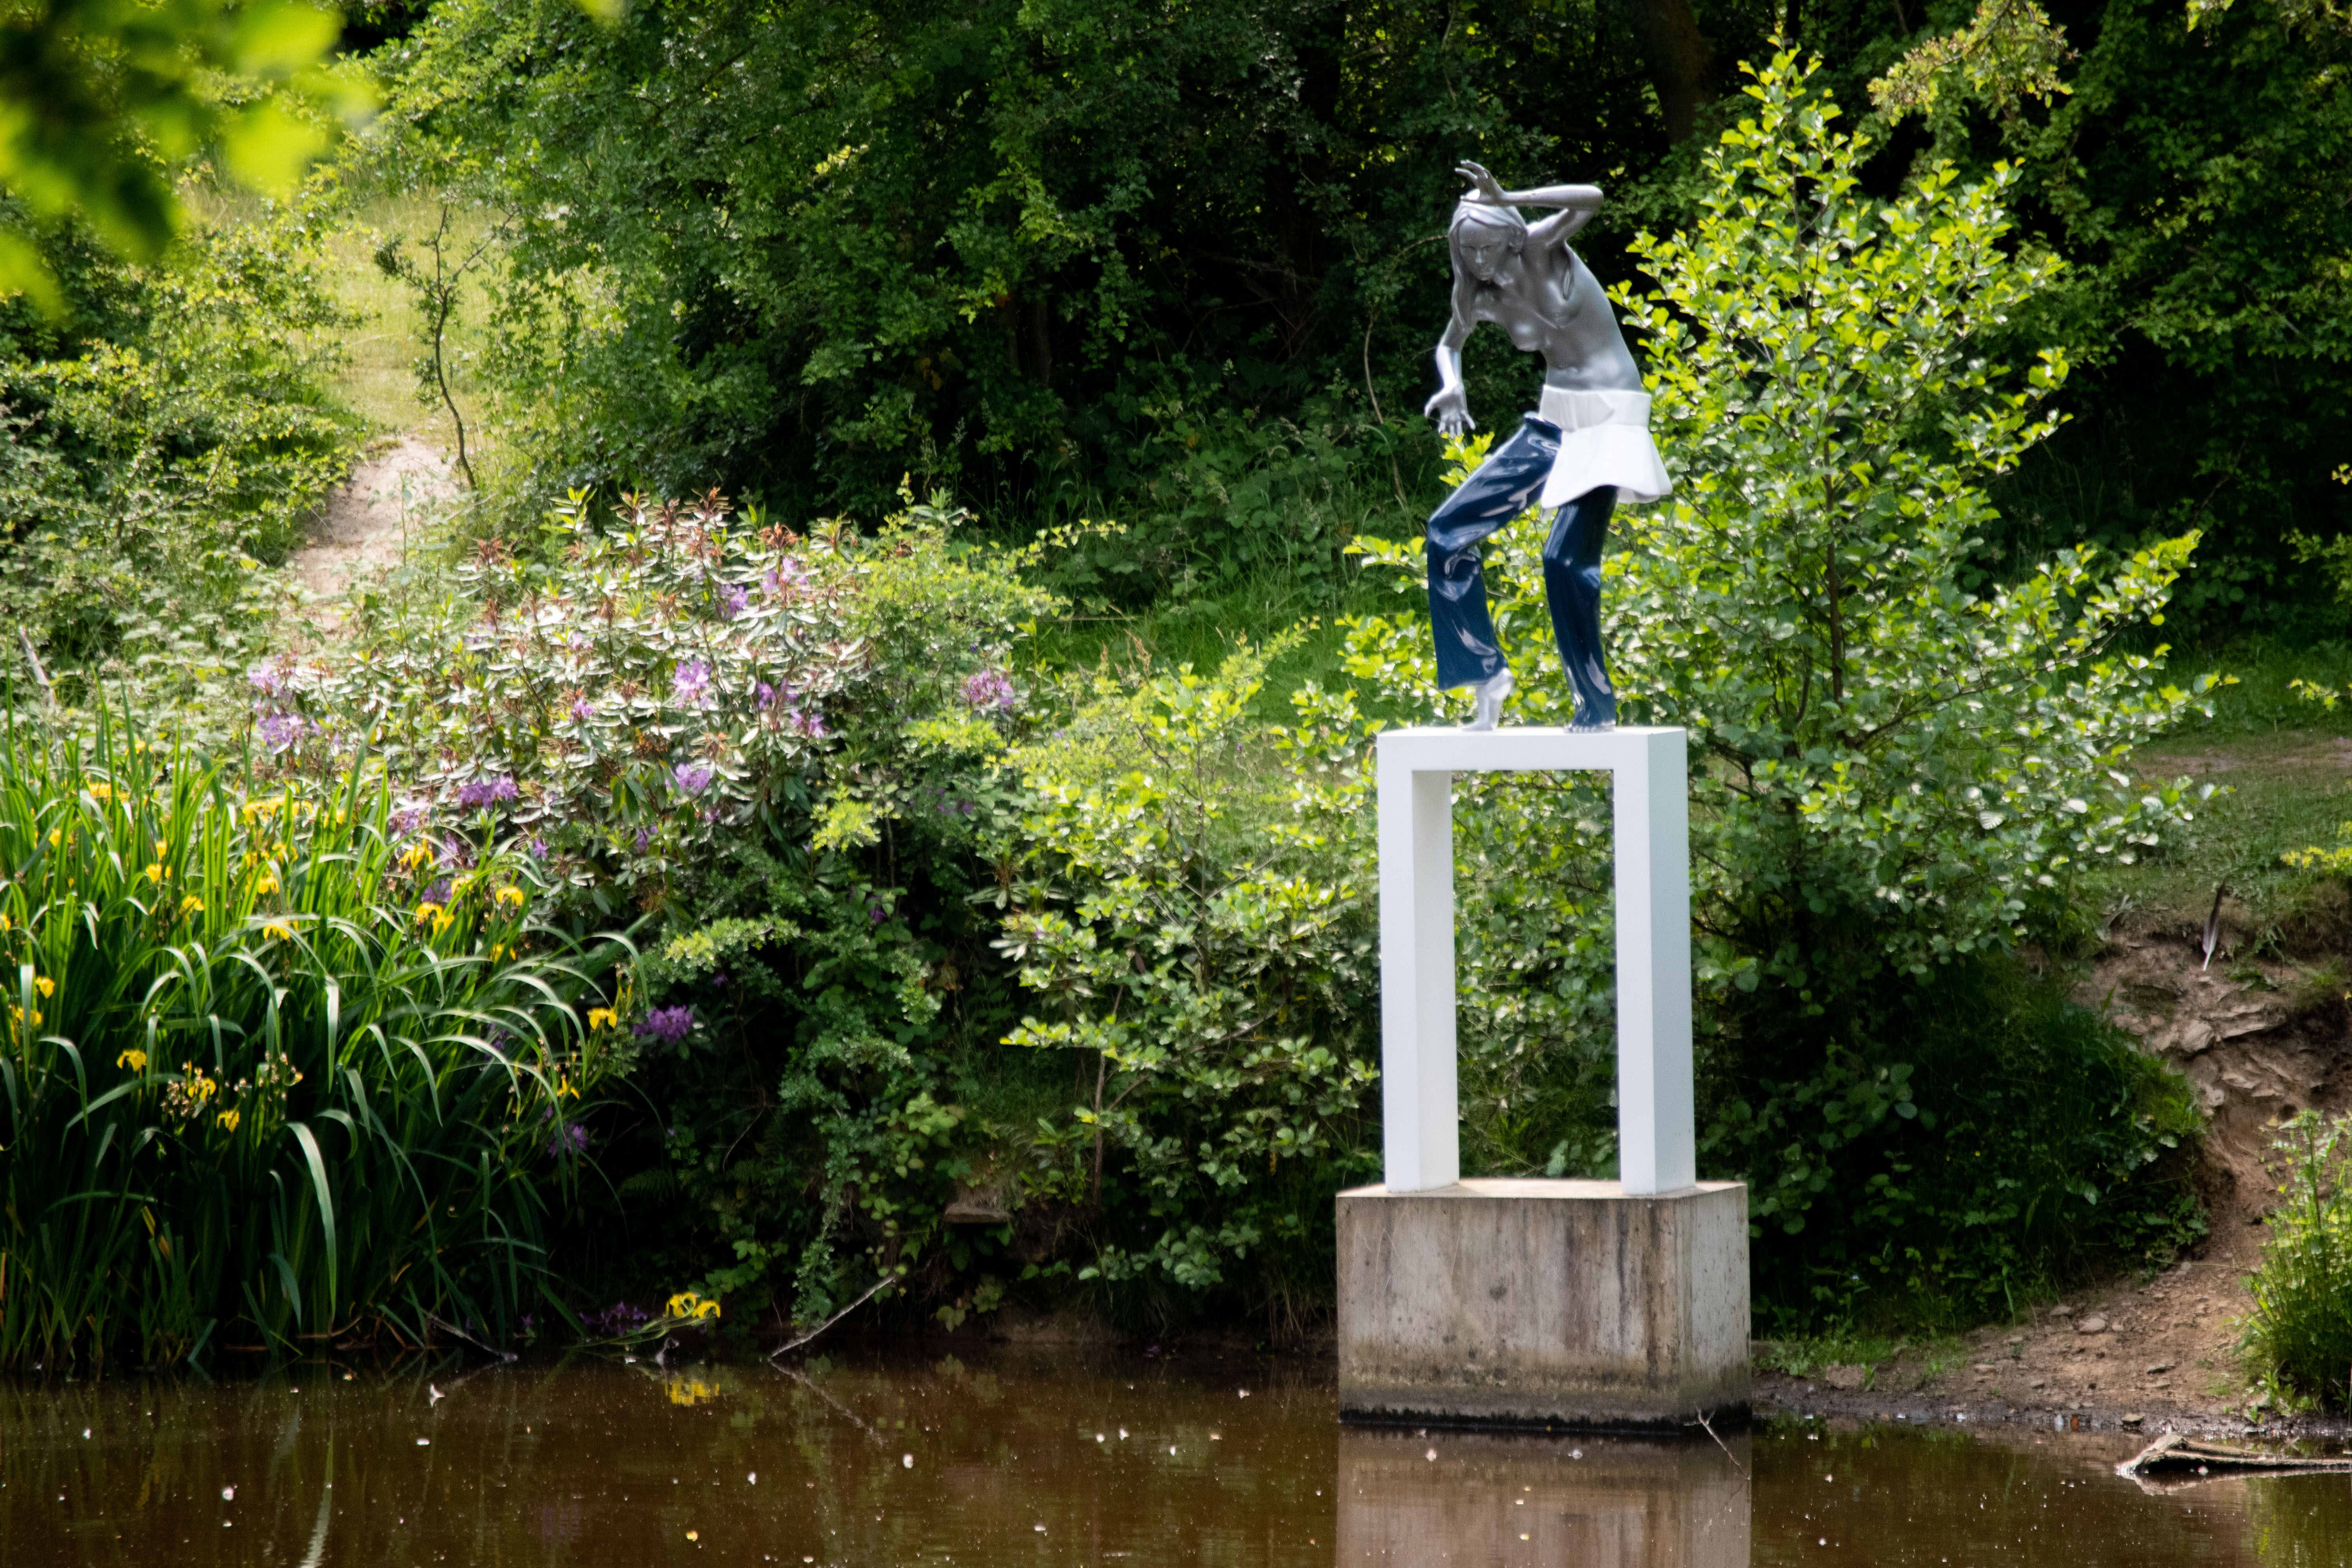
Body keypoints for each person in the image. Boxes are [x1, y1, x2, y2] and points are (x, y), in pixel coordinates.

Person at [1422, 162, 1671, 731]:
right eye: (1469, 254)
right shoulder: (1482, 296)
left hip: (1610, 420)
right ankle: (1486, 673)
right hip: (1559, 420)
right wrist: (1452, 384)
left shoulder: (1543, 248)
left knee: (1563, 559)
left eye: (1487, 248)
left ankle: (1596, 705)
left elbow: (1593, 197)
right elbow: (1449, 344)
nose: (1480, 263)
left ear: (1510, 235)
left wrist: (1511, 194)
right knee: (1447, 530)